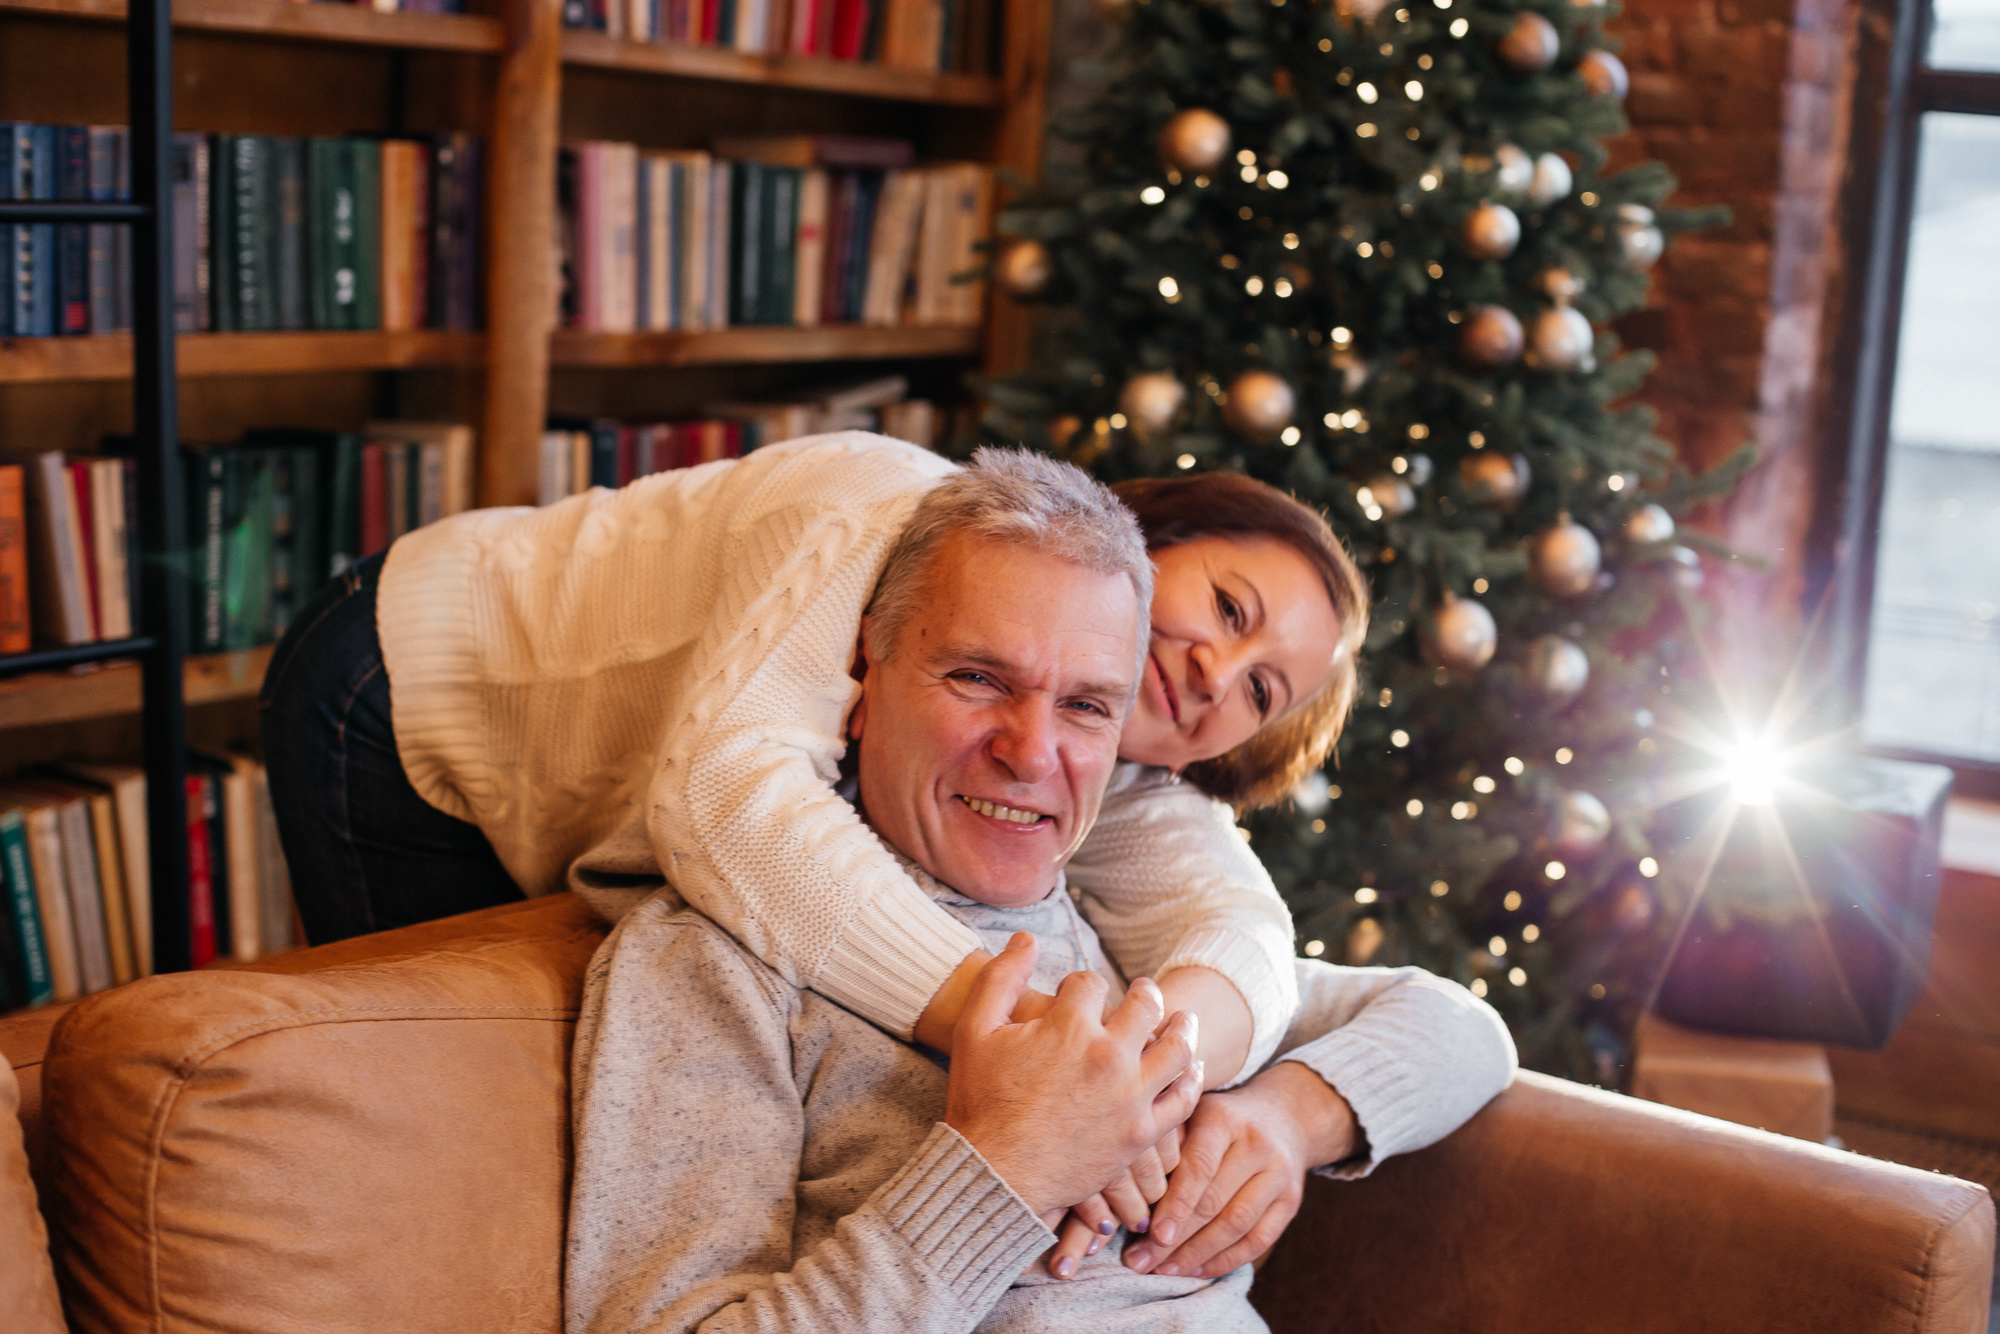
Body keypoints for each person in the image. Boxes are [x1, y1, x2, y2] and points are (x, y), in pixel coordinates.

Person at [564, 450, 1514, 1332]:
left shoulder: (1124, 943)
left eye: (1087, 707)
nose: (1031, 753)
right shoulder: (707, 959)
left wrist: (1284, 1115)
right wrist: (1009, 1167)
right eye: (977, 678)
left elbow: (1460, 1029)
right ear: (861, 670)